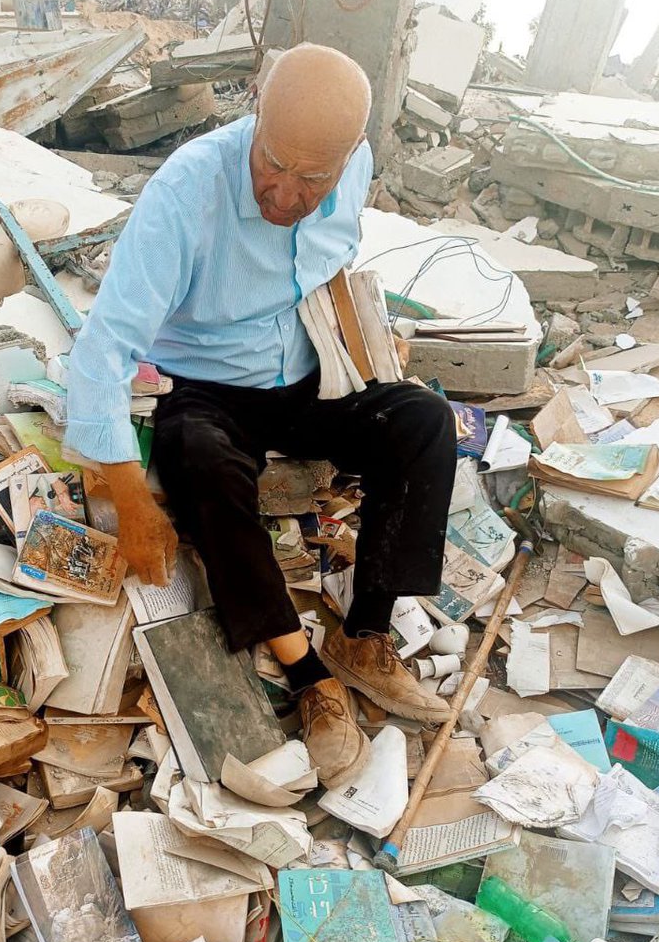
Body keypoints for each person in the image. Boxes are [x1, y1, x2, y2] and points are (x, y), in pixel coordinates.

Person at [63, 43, 457, 787]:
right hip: (207, 387)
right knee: (201, 462)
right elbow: (104, 345)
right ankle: (309, 676)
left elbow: (327, 264)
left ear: (347, 160)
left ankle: (365, 635)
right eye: (271, 165)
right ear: (254, 121)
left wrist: (363, 344)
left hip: (306, 372)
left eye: (312, 179)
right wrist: (124, 487)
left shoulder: (354, 167)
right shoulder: (188, 188)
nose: (283, 192)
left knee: (423, 421)